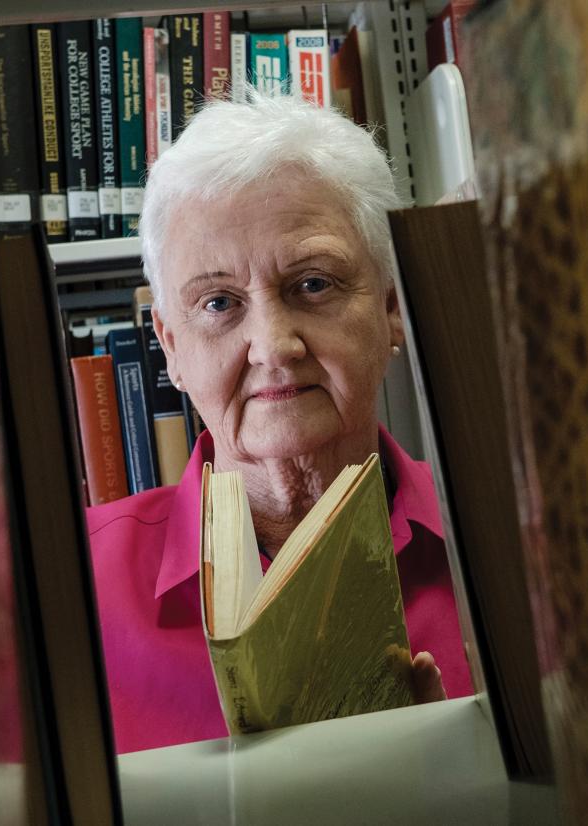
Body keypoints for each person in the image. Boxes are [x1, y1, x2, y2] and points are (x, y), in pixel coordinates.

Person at [86, 90, 472, 754]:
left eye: (313, 284)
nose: (272, 345)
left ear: (391, 306)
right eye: (218, 302)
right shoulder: (65, 590)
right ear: (170, 345)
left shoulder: (512, 549)